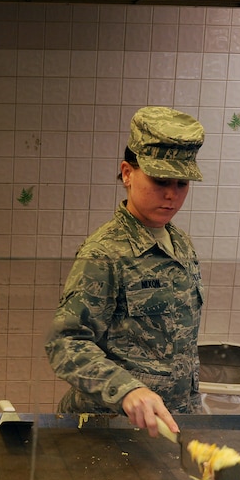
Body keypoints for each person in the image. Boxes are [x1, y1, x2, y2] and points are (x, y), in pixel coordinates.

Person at [45, 106, 205, 437]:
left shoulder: (181, 245)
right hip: (109, 429)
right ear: (127, 173)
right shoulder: (105, 253)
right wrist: (127, 390)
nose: (172, 194)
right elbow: (65, 343)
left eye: (182, 182)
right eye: (160, 180)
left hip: (169, 425)